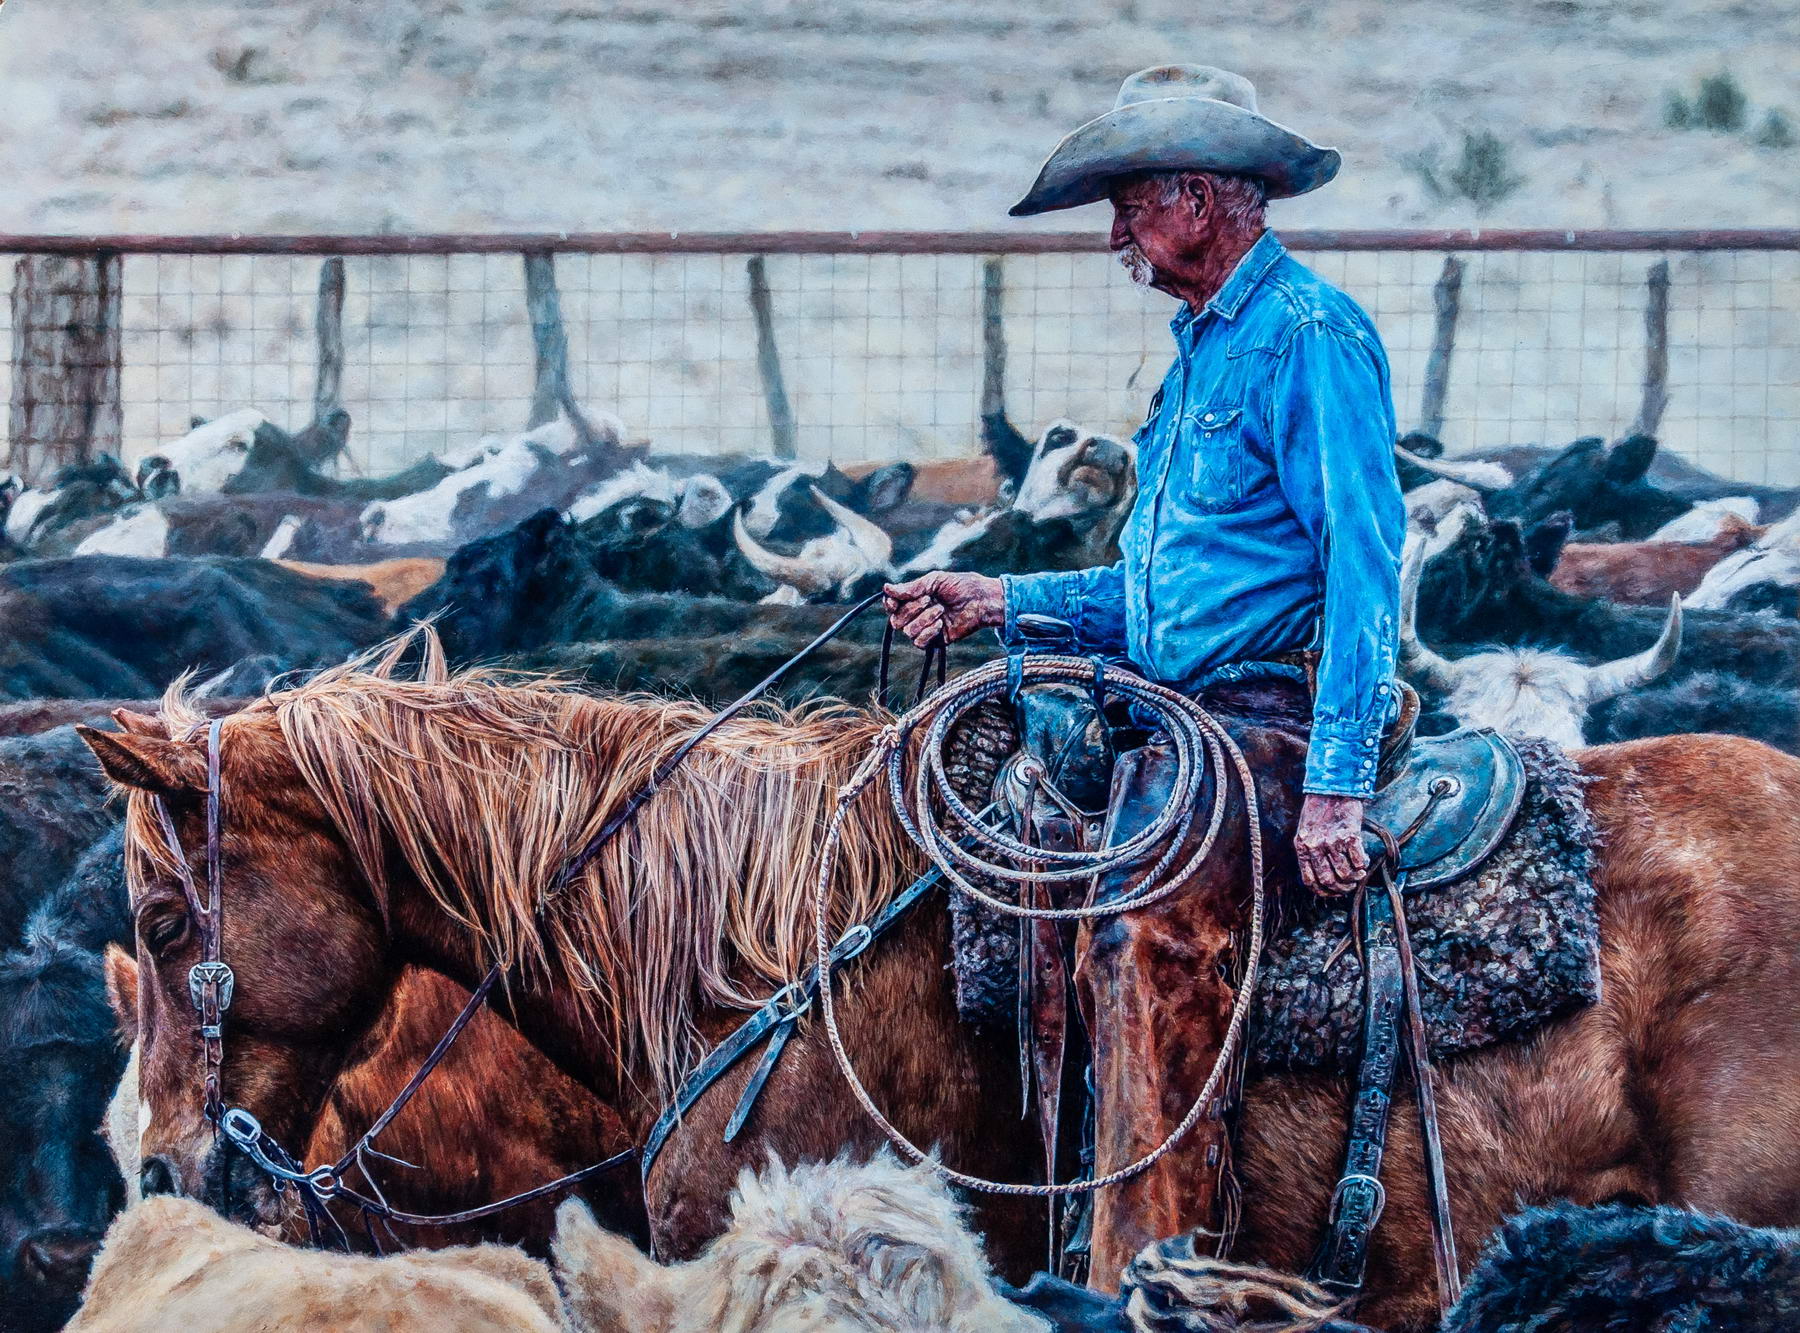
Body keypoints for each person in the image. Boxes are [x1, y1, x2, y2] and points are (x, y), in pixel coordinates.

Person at [885, 64, 1405, 895]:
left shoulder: (1306, 336)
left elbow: (1362, 562)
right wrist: (999, 602)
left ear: (1196, 200)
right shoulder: (1200, 355)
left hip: (1263, 713)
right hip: (1178, 703)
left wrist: (1337, 782)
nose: (1116, 237)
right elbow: (1158, 593)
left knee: (1132, 936)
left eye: (1130, 210)